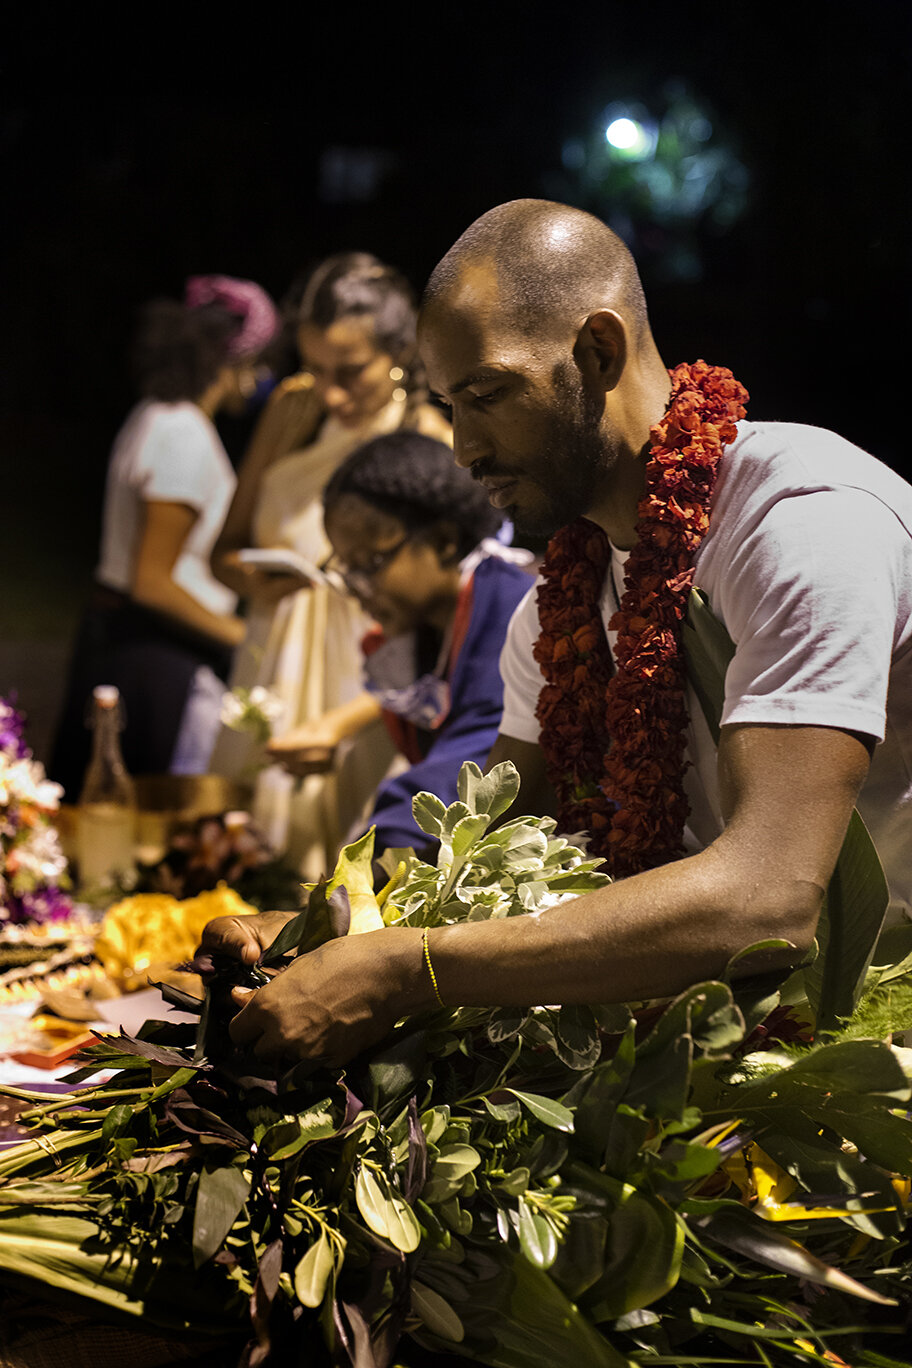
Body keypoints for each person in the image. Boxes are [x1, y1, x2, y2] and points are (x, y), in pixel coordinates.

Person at [202, 199, 912, 1066]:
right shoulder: (557, 604)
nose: (461, 447)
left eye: (487, 396)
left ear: (598, 352)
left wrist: (407, 970)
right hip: (708, 1026)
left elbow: (768, 896)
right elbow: (488, 843)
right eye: (447, 407)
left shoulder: (800, 523)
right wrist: (319, 930)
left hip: (870, 1043)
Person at [208, 253, 452, 877]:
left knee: (351, 886)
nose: (330, 392)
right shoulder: (294, 413)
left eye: (350, 371)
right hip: (271, 671)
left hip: (364, 696)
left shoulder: (429, 443)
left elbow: (447, 628)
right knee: (242, 874)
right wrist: (254, 582)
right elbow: (224, 548)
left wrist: (344, 724)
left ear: (399, 350)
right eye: (314, 368)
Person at [50, 275, 279, 795]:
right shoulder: (181, 432)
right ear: (234, 359)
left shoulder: (155, 414)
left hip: (126, 644)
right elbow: (152, 581)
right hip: (153, 658)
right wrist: (247, 643)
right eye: (259, 359)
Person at [265, 429, 533, 852]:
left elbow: (469, 770)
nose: (355, 588)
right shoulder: (422, 628)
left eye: (370, 562)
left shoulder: (511, 613)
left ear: (443, 541)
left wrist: (374, 858)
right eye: (345, 568)